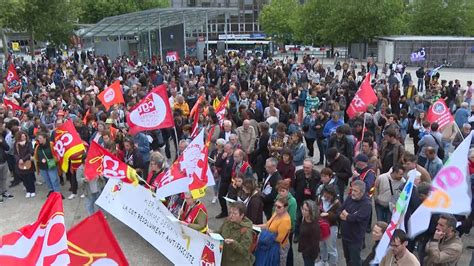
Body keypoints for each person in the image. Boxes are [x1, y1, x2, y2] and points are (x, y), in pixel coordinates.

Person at [339, 180, 372, 266]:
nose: (352, 193)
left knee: (355, 261)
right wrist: (348, 216)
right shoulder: (350, 197)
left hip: (355, 239)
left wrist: (347, 216)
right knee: (348, 259)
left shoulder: (366, 204)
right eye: (352, 190)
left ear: (362, 192)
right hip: (345, 236)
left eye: (355, 191)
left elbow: (357, 218)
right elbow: (340, 209)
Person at [214, 202, 255, 266]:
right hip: (224, 259)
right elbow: (220, 232)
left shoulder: (246, 230)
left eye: (234, 213)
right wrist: (212, 233)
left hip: (236, 262)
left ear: (242, 215)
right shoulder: (228, 221)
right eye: (230, 212)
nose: (231, 215)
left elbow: (244, 251)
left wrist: (233, 243)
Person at [256, 197, 291, 266]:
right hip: (269, 243)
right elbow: (267, 225)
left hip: (279, 247)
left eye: (279, 207)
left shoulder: (285, 221)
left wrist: (265, 237)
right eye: (275, 205)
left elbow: (279, 239)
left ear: (285, 208)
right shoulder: (276, 213)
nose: (276, 208)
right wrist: (255, 226)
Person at [293, 159, 320, 243]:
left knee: (312, 219)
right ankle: (297, 234)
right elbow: (294, 185)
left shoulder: (317, 175)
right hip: (300, 200)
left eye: (308, 168)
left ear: (312, 167)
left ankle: (311, 236)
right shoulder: (298, 173)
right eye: (304, 167)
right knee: (298, 218)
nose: (305, 169)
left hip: (311, 201)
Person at [274, 179, 297, 266]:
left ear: (287, 190)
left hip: (287, 230)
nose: (280, 193)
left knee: (288, 249)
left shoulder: (292, 201)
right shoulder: (278, 197)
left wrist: (289, 229)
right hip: (276, 227)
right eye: (279, 191)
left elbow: (291, 218)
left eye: (283, 191)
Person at [320, 185, 341, 266]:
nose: (325, 196)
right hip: (321, 226)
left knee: (331, 247)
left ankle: (333, 264)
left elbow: (337, 216)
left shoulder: (337, 203)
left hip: (331, 227)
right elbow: (316, 209)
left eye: (328, 194)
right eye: (325, 193)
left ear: (332, 195)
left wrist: (327, 214)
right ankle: (323, 261)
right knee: (322, 245)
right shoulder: (320, 199)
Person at [298, 200, 320, 266]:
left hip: (309, 254)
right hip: (304, 250)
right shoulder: (304, 219)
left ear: (311, 212)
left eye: (306, 210)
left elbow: (314, 244)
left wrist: (306, 252)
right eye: (303, 209)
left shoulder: (314, 227)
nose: (303, 211)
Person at [14, 131, 36, 198]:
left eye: (24, 136)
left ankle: (32, 190)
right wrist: (19, 159)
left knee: (30, 177)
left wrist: (23, 159)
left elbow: (31, 152)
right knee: (24, 178)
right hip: (20, 163)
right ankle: (28, 190)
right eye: (22, 136)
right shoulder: (16, 144)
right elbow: (15, 153)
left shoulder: (28, 143)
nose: (24, 137)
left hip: (28, 162)